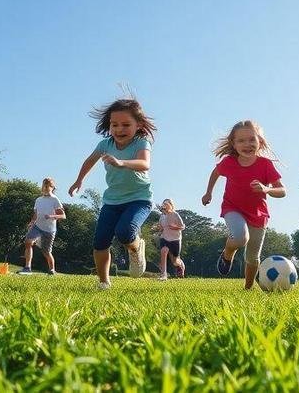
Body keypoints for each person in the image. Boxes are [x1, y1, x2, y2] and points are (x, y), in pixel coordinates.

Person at [68, 98, 156, 290]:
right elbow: (89, 161)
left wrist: (122, 162)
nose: (119, 129)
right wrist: (79, 180)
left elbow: (144, 163)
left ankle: (136, 247)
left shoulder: (141, 142)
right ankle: (104, 281)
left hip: (139, 199)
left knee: (125, 231)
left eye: (126, 125)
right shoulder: (105, 144)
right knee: (100, 241)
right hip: (112, 201)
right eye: (114, 124)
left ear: (138, 125)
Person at [201, 120, 286, 289]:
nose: (247, 144)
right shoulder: (229, 162)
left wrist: (266, 189)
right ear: (233, 144)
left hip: (258, 215)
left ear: (260, 142)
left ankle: (247, 288)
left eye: (251, 140)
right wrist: (208, 192)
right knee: (240, 237)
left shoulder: (265, 165)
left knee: (253, 257)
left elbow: (283, 191)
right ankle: (227, 253)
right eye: (241, 141)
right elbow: (216, 173)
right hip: (232, 208)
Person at [17, 178, 65, 276]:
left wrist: (51, 216)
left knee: (46, 251)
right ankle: (27, 268)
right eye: (44, 186)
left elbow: (63, 216)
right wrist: (32, 222)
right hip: (37, 226)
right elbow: (36, 214)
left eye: (47, 186)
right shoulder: (38, 200)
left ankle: (52, 270)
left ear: (52, 188)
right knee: (28, 242)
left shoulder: (55, 199)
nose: (45, 188)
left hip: (49, 230)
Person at [153, 198, 185, 280]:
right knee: (163, 251)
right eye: (164, 204)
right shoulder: (162, 217)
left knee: (175, 261)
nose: (165, 205)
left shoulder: (175, 215)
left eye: (166, 204)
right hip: (164, 238)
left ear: (171, 205)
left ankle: (180, 265)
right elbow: (161, 228)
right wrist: (156, 229)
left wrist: (175, 227)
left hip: (175, 239)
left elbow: (182, 227)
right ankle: (164, 275)